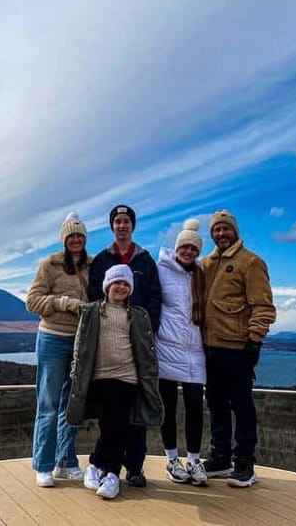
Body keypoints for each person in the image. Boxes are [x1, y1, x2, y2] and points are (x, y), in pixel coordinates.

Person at [66, 264, 163, 500]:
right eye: (116, 283)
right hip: (100, 377)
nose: (120, 287)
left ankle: (108, 473)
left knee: (118, 426)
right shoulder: (92, 312)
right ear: (107, 286)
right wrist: (75, 372)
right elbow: (80, 346)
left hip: (128, 378)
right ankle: (100, 467)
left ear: (130, 289)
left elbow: (145, 349)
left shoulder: (138, 315)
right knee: (113, 426)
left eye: (125, 284)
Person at [87, 204, 162, 487]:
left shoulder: (145, 260)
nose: (122, 226)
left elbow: (156, 297)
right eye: (117, 221)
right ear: (112, 226)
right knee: (112, 414)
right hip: (110, 342)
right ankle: (106, 466)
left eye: (126, 221)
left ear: (133, 225)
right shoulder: (102, 260)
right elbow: (93, 296)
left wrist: (147, 328)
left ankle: (135, 467)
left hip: (137, 344)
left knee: (137, 408)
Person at [202, 210, 276, 487]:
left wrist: (254, 341)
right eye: (216, 230)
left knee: (241, 405)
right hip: (209, 347)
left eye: (225, 229)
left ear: (234, 231)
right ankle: (220, 457)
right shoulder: (206, 264)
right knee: (216, 405)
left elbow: (263, 306)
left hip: (237, 348)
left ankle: (244, 461)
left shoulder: (251, 262)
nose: (221, 234)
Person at [26, 212, 92, 487]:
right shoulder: (49, 265)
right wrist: (63, 303)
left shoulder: (93, 265)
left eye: (80, 235)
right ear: (64, 239)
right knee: (49, 403)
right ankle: (43, 464)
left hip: (80, 341)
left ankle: (66, 462)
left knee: (71, 404)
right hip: (52, 338)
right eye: (71, 235)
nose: (75, 239)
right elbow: (32, 302)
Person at [155, 219, 207, 486]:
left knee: (195, 408)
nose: (188, 252)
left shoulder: (202, 274)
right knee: (168, 408)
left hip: (195, 351)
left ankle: (195, 460)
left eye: (193, 249)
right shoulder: (161, 270)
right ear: (177, 248)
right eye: (184, 247)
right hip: (166, 347)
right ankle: (172, 458)